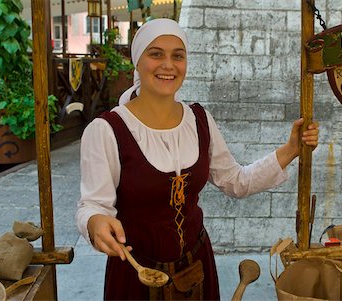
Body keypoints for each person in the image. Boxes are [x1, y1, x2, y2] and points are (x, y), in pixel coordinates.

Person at [76, 18, 319, 300]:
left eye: (177, 56)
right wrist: (94, 222)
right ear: (137, 61)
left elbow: (235, 181)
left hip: (197, 267)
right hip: (136, 275)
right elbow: (92, 205)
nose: (168, 65)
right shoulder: (106, 130)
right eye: (156, 54)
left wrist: (290, 150)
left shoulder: (199, 120)